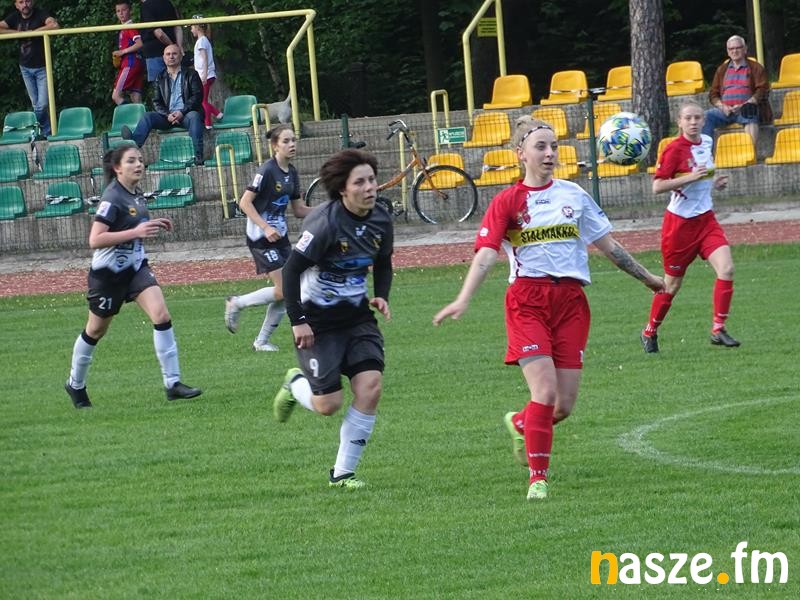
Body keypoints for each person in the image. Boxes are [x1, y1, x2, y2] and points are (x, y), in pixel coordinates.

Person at [433, 117, 664, 501]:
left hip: (571, 303)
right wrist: (464, 297)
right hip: (528, 301)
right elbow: (486, 255)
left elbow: (609, 246)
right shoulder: (507, 201)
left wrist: (647, 278)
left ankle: (520, 423)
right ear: (520, 153)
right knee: (544, 390)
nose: (550, 153)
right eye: (540, 146)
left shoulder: (574, 195)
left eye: (553, 146)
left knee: (562, 406)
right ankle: (537, 480)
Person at [271, 149, 393, 489]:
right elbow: (291, 271)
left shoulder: (381, 219)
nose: (370, 187)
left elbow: (384, 261)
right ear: (343, 189)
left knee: (370, 387)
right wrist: (298, 320)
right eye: (360, 182)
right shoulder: (325, 223)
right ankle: (295, 386)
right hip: (318, 323)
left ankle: (342, 474)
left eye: (372, 180)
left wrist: (382, 294)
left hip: (357, 318)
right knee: (328, 405)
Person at [64, 145, 201, 409]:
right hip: (108, 275)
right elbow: (95, 239)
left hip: (136, 268)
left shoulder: (136, 194)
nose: (139, 164)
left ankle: (173, 384)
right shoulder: (111, 198)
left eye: (140, 160)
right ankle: (75, 384)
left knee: (161, 315)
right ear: (117, 168)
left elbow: (133, 224)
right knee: (95, 330)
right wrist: (136, 232)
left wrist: (153, 223)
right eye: (131, 161)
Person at [641, 101, 739, 353]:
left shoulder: (706, 142)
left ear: (704, 120)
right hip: (679, 226)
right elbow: (657, 186)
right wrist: (690, 177)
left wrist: (714, 183)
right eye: (688, 118)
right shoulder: (673, 150)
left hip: (706, 220)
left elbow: (703, 177)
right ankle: (650, 331)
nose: (693, 122)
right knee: (671, 285)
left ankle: (718, 329)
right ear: (680, 122)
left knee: (727, 269)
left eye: (697, 117)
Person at [224, 124, 312, 351]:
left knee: (288, 290)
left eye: (293, 140)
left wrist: (329, 209)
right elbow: (244, 203)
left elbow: (299, 210)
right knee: (284, 289)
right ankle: (237, 303)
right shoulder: (266, 171)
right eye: (286, 141)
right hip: (260, 238)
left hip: (280, 237)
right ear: (275, 146)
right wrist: (265, 227)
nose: (292, 144)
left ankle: (261, 342)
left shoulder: (292, 173)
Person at [120, 44, 205, 165]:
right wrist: (167, 115)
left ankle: (198, 157)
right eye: (168, 54)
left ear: (180, 56)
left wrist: (182, 112)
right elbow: (156, 101)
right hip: (167, 117)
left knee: (195, 116)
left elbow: (197, 96)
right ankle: (132, 145)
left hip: (186, 115)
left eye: (174, 54)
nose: (171, 57)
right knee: (148, 116)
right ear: (164, 58)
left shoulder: (191, 74)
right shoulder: (160, 77)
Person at [0, 0, 59, 137]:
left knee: (42, 105)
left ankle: (45, 131)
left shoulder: (40, 14)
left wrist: (32, 32)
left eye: (27, 1)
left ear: (32, 2)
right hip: (25, 67)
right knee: (36, 104)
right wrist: (17, 33)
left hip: (42, 66)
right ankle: (46, 133)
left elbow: (54, 25)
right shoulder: (14, 17)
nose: (25, 4)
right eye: (21, 2)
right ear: (16, 5)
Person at [702, 35, 772, 147]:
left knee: (749, 112)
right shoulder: (722, 69)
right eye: (731, 49)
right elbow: (713, 94)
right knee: (705, 116)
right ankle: (705, 152)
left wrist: (745, 104)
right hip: (725, 110)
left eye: (738, 48)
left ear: (745, 49)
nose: (734, 51)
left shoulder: (756, 67)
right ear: (728, 51)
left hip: (746, 108)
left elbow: (763, 90)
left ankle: (750, 151)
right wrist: (722, 106)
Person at [190, 15, 222, 129]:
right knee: (202, 100)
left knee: (202, 101)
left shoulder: (202, 41)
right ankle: (218, 113)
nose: (191, 30)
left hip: (205, 75)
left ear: (197, 27)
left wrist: (203, 75)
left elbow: (204, 58)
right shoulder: (203, 40)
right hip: (206, 74)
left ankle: (208, 124)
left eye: (192, 27)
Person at [138, 0, 181, 82]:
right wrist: (178, 47)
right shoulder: (168, 3)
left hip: (155, 53)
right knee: (176, 83)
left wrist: (171, 46)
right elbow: (177, 27)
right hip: (173, 54)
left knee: (159, 85)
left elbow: (159, 33)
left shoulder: (146, 6)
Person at [111, 1, 145, 105]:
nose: (121, 13)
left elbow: (139, 43)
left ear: (130, 11)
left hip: (130, 64)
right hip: (137, 63)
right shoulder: (123, 28)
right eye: (118, 11)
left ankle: (129, 114)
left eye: (124, 10)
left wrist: (122, 52)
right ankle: (141, 116)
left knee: (116, 96)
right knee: (136, 98)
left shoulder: (129, 26)